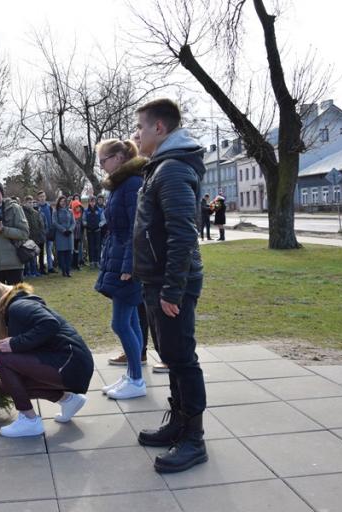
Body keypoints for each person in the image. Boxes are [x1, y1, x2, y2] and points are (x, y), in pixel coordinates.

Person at [133, 98, 208, 473]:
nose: (136, 135)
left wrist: (171, 291)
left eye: (140, 128)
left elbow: (183, 234)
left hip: (170, 283)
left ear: (159, 129)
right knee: (172, 356)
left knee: (182, 358)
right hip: (158, 280)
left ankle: (194, 439)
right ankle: (178, 423)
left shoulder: (174, 169)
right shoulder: (161, 167)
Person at [0, 282, 94, 437]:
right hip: (72, 363)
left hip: (71, 364)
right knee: (6, 385)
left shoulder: (18, 306)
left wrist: (15, 343)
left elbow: (49, 324)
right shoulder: (19, 305)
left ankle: (29, 420)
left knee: (1, 359)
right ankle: (68, 400)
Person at [94, 139, 147, 400]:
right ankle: (133, 374)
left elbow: (137, 228)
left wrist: (129, 265)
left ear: (119, 157)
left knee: (120, 324)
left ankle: (136, 380)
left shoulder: (132, 184)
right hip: (119, 257)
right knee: (132, 321)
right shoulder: (121, 185)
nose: (102, 166)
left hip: (127, 261)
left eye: (103, 160)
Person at [22, 195, 45, 277]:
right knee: (28, 256)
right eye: (29, 202)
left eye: (32, 202)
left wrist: (40, 234)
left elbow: (40, 224)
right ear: (25, 203)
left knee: (34, 256)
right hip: (27, 237)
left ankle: (34, 270)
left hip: (35, 238)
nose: (31, 204)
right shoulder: (22, 212)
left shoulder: (36, 213)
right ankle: (28, 272)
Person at [52, 196, 74, 277]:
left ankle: (68, 270)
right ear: (59, 202)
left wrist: (70, 230)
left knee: (69, 254)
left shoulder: (70, 211)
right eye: (61, 201)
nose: (63, 203)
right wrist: (63, 230)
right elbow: (54, 222)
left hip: (69, 235)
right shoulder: (55, 212)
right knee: (61, 254)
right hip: (60, 235)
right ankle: (63, 270)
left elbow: (73, 222)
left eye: (64, 201)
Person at [35, 190, 55, 274]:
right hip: (41, 233)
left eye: (43, 196)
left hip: (49, 232)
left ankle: (50, 267)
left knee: (49, 250)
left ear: (45, 197)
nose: (42, 198)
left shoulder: (49, 207)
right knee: (41, 252)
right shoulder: (36, 208)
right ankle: (41, 268)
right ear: (38, 198)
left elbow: (52, 218)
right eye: (40, 197)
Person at [82, 197, 102, 269]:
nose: (92, 203)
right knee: (91, 247)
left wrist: (99, 224)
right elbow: (83, 220)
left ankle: (98, 262)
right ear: (89, 202)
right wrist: (86, 224)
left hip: (97, 231)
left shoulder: (99, 210)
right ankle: (91, 262)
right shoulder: (86, 211)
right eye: (91, 202)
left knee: (97, 247)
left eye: (93, 202)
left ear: (95, 202)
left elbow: (103, 220)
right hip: (89, 231)